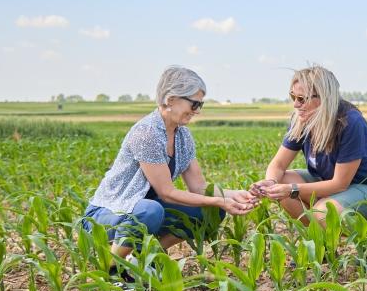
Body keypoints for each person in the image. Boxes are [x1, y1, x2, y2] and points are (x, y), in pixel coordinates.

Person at [82, 66, 257, 266]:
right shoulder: (147, 133)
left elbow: (199, 187)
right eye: (194, 104)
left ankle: (143, 258)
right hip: (108, 213)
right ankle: (113, 267)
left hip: (146, 210)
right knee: (150, 211)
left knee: (211, 212)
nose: (197, 111)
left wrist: (234, 195)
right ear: (171, 99)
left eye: (200, 105)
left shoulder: (182, 135)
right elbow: (167, 193)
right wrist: (218, 201)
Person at [253, 65, 367, 224]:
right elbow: (278, 164)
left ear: (324, 98)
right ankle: (319, 242)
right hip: (338, 184)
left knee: (324, 212)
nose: (296, 105)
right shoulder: (301, 120)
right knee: (281, 182)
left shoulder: (350, 123)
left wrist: (292, 190)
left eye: (302, 99)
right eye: (293, 97)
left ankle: (336, 236)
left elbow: (339, 184)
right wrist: (271, 183)